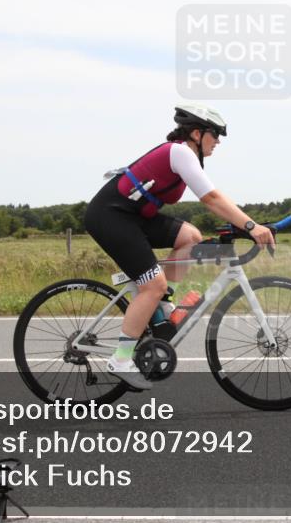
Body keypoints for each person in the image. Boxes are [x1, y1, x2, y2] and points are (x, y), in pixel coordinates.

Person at [83, 104, 275, 389]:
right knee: (153, 284)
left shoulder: (184, 155)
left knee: (191, 237)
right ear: (196, 133)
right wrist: (250, 225)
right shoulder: (181, 152)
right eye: (214, 135)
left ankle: (162, 306)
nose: (218, 142)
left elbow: (212, 200)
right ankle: (121, 358)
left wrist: (243, 223)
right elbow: (211, 198)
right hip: (111, 217)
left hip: (133, 217)